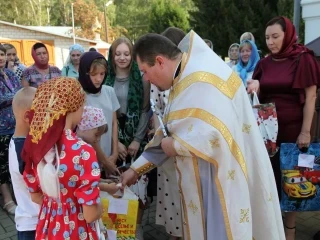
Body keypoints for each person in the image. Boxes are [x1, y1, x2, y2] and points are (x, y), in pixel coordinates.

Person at [120, 31, 286, 240]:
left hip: (221, 184)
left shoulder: (202, 79)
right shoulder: (183, 78)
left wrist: (176, 146)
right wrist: (134, 171)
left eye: (145, 71)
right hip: (202, 184)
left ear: (160, 62)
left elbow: (217, 136)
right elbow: (168, 134)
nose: (146, 79)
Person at [247, 16, 320, 240]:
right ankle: (270, 229)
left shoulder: (303, 59)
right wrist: (255, 84)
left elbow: (310, 98)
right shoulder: (264, 63)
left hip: (293, 132)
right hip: (267, 135)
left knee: (292, 181)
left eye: (275, 36)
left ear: (287, 35)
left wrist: (305, 131)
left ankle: (290, 233)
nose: (270, 42)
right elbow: (256, 94)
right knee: (269, 179)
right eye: (267, 37)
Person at [21, 77, 103, 240]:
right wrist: (100, 208)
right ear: (75, 106)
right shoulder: (83, 151)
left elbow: (35, 196)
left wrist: (57, 206)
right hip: (77, 231)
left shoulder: (36, 145)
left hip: (48, 228)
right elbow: (90, 214)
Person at [105, 37, 150, 240]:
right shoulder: (104, 78)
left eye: (126, 53)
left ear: (132, 56)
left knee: (138, 187)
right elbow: (106, 114)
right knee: (114, 185)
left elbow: (145, 110)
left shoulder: (142, 78)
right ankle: (116, 229)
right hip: (112, 141)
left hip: (135, 142)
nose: (122, 58)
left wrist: (137, 140)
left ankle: (137, 227)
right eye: (118, 53)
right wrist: (117, 143)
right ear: (112, 56)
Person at [150, 27, 184, 240]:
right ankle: (174, 235)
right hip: (167, 146)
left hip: (188, 146)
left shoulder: (191, 76)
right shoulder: (158, 77)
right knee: (172, 197)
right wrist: (159, 139)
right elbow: (155, 110)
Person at [78, 51, 120, 175]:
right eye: (93, 74)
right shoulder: (79, 95)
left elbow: (113, 123)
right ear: (85, 73)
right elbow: (88, 135)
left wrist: (115, 153)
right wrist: (105, 161)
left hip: (108, 153)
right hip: (88, 158)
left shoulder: (109, 91)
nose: (98, 79)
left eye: (102, 74)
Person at [9, 87, 39, 240]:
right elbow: (37, 192)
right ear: (28, 116)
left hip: (29, 221)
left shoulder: (17, 141)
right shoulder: (24, 150)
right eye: (41, 114)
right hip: (33, 224)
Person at [77, 106, 121, 194]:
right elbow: (81, 181)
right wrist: (106, 187)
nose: (98, 139)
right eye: (96, 135)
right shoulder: (80, 150)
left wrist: (101, 181)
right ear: (85, 127)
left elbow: (86, 176)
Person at [0, 44, 21, 215]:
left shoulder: (11, 74)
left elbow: (21, 92)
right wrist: (17, 96)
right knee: (2, 166)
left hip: (16, 126)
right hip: (1, 128)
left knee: (14, 161)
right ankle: (7, 199)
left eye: (2, 54)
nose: (0, 58)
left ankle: (17, 195)